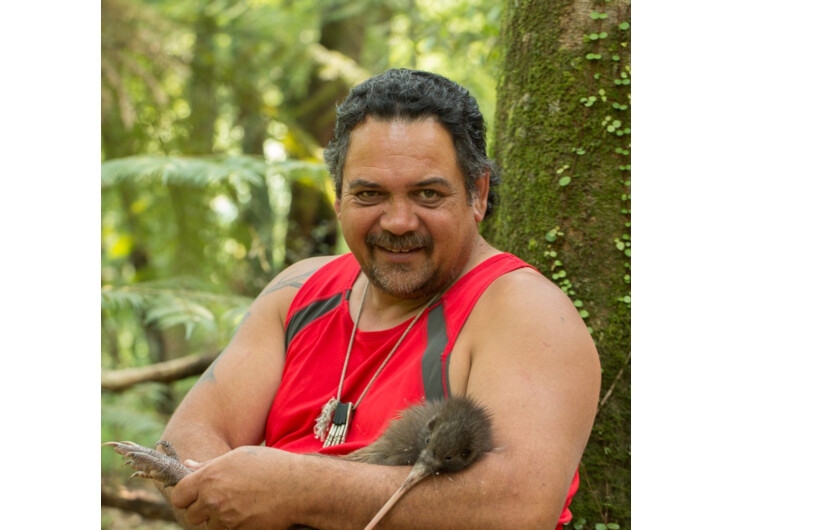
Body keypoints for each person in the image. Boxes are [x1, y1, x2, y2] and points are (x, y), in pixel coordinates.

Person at [156, 68, 601, 529]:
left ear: (478, 193)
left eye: (427, 194)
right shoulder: (298, 294)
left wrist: (293, 491)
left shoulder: (522, 310)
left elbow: (516, 507)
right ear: (339, 198)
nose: (398, 221)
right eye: (370, 194)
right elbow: (184, 439)